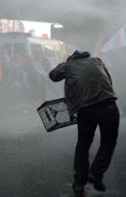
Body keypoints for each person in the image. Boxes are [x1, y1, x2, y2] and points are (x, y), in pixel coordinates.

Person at [49, 50, 119, 197]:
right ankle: (95, 173)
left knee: (83, 145)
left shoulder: (68, 66)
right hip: (109, 105)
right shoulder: (97, 61)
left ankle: (79, 184)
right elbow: (109, 81)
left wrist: (65, 65)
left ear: (71, 59)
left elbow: (53, 76)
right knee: (108, 142)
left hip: (86, 110)